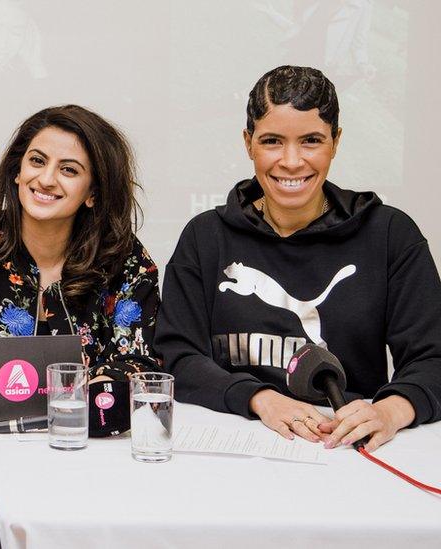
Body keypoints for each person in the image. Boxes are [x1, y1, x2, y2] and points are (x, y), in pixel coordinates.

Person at [155, 65, 441, 451]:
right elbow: (176, 356)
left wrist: (392, 410)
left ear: (335, 142)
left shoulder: (390, 234)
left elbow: (434, 356)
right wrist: (260, 400)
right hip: (232, 443)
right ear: (248, 142)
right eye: (272, 141)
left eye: (311, 141)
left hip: (344, 447)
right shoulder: (205, 236)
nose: (291, 161)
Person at [0, 105, 160, 434]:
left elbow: (141, 364)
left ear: (93, 193)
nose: (45, 179)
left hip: (86, 446)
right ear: (17, 170)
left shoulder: (124, 257)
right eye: (37, 161)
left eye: (68, 170)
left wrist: (102, 386)